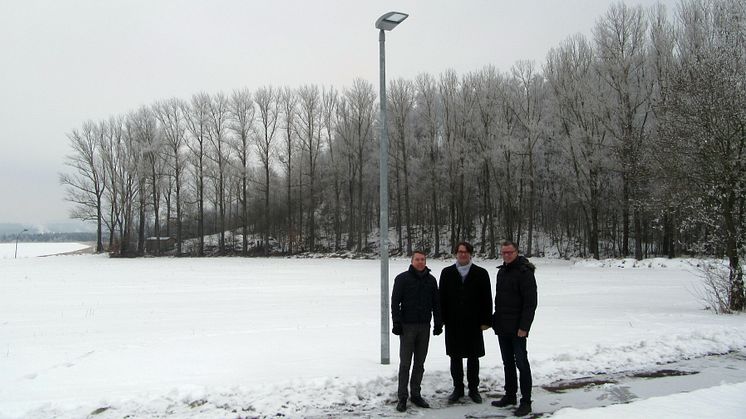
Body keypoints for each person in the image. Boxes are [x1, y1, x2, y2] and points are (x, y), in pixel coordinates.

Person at [438, 241, 492, 404]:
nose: (463, 254)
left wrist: (486, 321)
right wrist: (442, 320)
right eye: (460, 251)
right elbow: (441, 299)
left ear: (470, 254)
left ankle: (474, 389)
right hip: (453, 323)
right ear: (456, 253)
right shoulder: (447, 273)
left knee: (473, 357)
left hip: (474, 323)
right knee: (455, 357)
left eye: (466, 252)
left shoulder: (481, 273)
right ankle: (458, 388)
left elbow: (487, 299)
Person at [391, 250, 442, 412]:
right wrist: (397, 323)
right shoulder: (402, 279)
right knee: (405, 363)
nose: (420, 262)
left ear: (426, 261)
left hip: (424, 327)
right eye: (417, 259)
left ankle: (416, 393)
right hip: (407, 327)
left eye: (423, 259)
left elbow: (436, 304)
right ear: (412, 261)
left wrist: (438, 323)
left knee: (420, 363)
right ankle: (402, 397)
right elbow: (395, 303)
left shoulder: (431, 280)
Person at [491, 240, 538, 417]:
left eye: (510, 252)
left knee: (522, 364)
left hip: (518, 328)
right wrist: (495, 320)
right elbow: (500, 300)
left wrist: (524, 327)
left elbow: (530, 303)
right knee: (507, 363)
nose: (507, 255)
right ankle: (510, 395)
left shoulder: (525, 272)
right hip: (503, 326)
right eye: (504, 253)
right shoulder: (502, 272)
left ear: (516, 252)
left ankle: (526, 401)